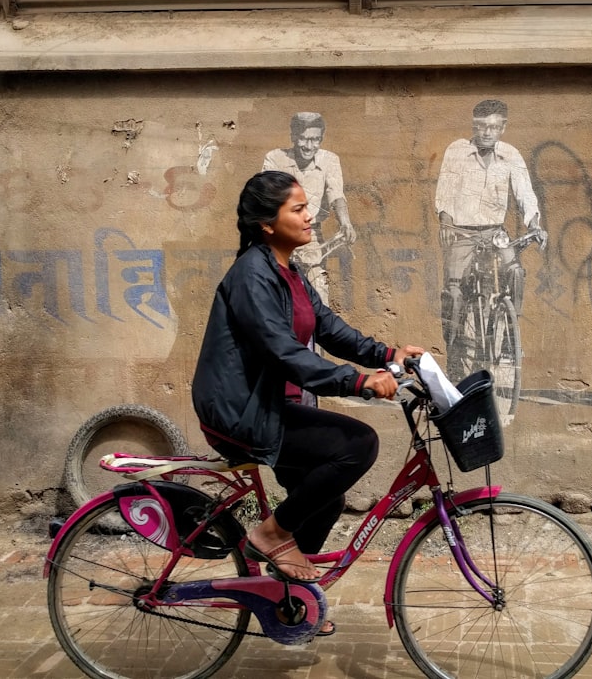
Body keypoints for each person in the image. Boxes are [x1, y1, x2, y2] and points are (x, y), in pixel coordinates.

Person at [192, 171, 423, 601]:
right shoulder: (251, 277)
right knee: (358, 444)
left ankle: (287, 601)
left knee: (324, 499)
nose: (310, 216)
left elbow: (331, 330)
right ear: (267, 223)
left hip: (265, 406)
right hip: (238, 412)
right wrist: (359, 382)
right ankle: (272, 533)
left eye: (307, 207)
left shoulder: (289, 273)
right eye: (297, 209)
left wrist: (389, 357)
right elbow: (285, 353)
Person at [435, 99, 545, 375]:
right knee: (455, 293)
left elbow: (525, 194)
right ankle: (455, 355)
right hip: (462, 233)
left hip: (495, 233)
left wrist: (535, 223)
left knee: (515, 272)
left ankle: (508, 336)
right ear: (474, 126)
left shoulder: (511, 155)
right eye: (481, 127)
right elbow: (444, 193)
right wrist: (446, 222)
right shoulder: (457, 151)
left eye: (494, 127)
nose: (487, 133)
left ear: (503, 128)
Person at [262, 112, 356, 305]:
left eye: (315, 140)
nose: (308, 146)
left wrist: (345, 222)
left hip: (310, 235)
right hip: (279, 235)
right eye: (303, 139)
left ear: (321, 139)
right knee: (276, 298)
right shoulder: (275, 158)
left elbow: (336, 194)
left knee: (319, 295)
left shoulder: (329, 160)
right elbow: (265, 197)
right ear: (294, 137)